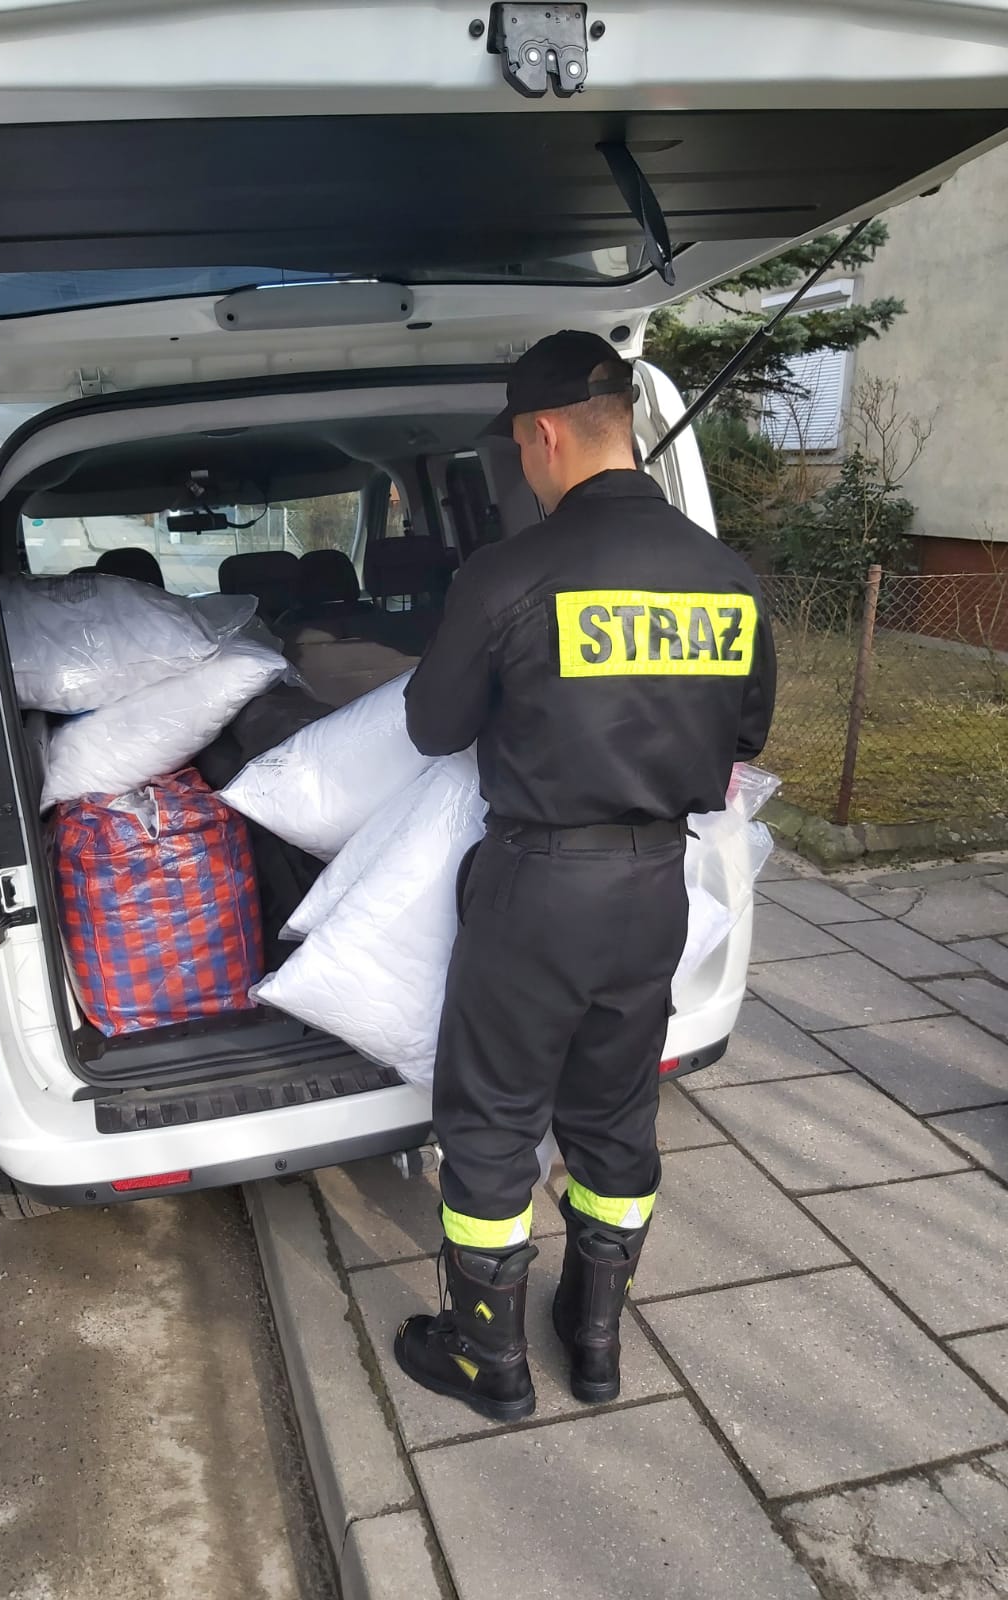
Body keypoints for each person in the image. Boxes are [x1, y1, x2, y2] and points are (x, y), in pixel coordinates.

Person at [396, 330, 776, 1422]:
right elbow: (743, 737)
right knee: (615, 1117)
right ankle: (596, 1341)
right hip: (656, 890)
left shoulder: (511, 573)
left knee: (492, 1122)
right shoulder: (727, 577)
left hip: (538, 890)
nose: (523, 465)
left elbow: (433, 727)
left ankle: (489, 1360)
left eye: (521, 446)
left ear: (547, 434)